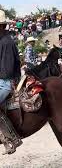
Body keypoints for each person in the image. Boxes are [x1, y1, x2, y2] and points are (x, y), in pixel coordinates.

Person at [0, 10, 22, 154]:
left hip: (6, 82)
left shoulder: (6, 42)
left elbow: (7, 71)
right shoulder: (2, 40)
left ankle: (10, 139)